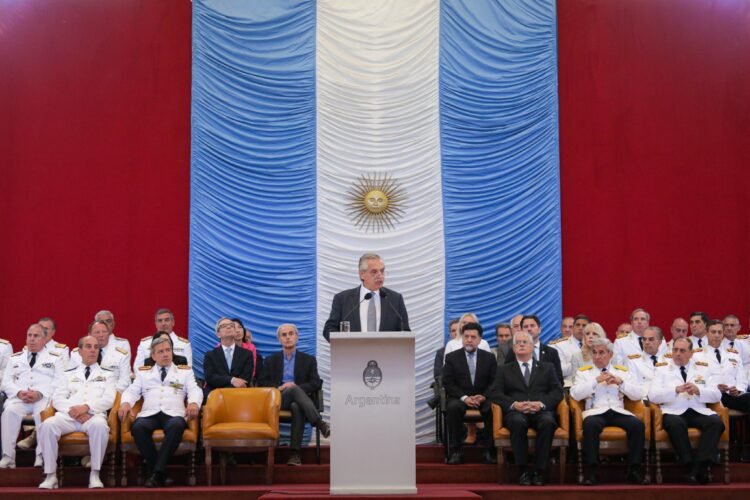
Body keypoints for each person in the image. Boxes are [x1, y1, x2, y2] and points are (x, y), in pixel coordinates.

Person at [118, 336, 202, 487]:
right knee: (138, 427)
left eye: (168, 350)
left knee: (176, 426)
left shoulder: (184, 372)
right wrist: (125, 403)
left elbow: (195, 389)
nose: (165, 354)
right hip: (150, 413)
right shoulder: (144, 373)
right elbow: (132, 391)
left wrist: (194, 403)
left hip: (174, 413)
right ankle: (159, 472)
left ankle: (155, 473)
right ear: (153, 356)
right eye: (161, 351)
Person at [38, 335, 116, 489]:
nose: (93, 350)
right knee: (47, 425)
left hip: (93, 416)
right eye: (88, 346)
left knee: (100, 426)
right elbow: (58, 398)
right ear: (79, 351)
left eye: (96, 347)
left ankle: (95, 474)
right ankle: (51, 475)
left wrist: (86, 408)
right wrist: (74, 411)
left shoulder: (108, 375)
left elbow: (109, 399)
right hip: (68, 416)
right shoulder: (68, 374)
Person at [570, 338, 647, 485]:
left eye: (601, 353)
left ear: (610, 354)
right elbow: (575, 394)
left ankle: (634, 470)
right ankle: (592, 471)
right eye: (594, 353)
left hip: (618, 411)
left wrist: (621, 383)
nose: (597, 357)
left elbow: (638, 394)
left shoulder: (621, 371)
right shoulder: (584, 372)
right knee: (590, 425)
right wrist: (595, 381)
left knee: (637, 425)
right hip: (595, 412)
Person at [648, 337, 724, 484]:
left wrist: (699, 390)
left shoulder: (703, 368)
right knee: (675, 424)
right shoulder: (662, 369)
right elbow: (653, 395)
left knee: (716, 423)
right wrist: (675, 390)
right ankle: (691, 465)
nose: (677, 353)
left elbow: (717, 395)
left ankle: (695, 468)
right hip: (673, 410)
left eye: (682, 350)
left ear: (691, 353)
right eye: (675, 350)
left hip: (697, 409)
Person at [491, 331, 563, 486]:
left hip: (541, 411)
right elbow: (495, 393)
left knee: (548, 422)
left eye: (525, 342)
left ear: (532, 347)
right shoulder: (504, 369)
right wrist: (514, 404)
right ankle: (523, 470)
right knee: (517, 422)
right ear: (513, 349)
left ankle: (539, 471)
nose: (521, 345)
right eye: (518, 343)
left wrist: (541, 404)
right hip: (516, 412)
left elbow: (557, 392)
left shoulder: (547, 367)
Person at [258, 323, 329, 466]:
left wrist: (296, 387)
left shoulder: (308, 360)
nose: (288, 337)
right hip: (279, 399)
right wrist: (280, 387)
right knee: (292, 389)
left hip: (299, 402)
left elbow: (316, 383)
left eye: (291, 334)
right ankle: (319, 423)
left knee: (296, 406)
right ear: (279, 340)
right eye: (284, 335)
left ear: (297, 337)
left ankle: (295, 455)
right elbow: (262, 382)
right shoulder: (271, 360)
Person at [0, 324, 65, 468]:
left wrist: (40, 393)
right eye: (29, 335)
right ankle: (8, 456)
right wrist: (18, 392)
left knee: (43, 414)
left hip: (42, 399)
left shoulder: (55, 358)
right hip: (20, 399)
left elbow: (60, 382)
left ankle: (41, 456)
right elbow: (6, 382)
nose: (32, 339)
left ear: (44, 339)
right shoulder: (15, 358)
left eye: (36, 336)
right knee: (8, 412)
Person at [442, 322, 497, 465]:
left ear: (480, 340)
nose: (469, 340)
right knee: (453, 408)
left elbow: (495, 381)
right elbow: (448, 382)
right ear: (462, 338)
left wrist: (484, 396)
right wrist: (465, 398)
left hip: (483, 397)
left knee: (493, 408)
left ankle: (489, 450)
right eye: (466, 336)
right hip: (460, 398)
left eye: (473, 337)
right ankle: (456, 451)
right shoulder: (452, 357)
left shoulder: (489, 358)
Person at [323, 253, 410, 341]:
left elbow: (405, 331)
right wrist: (344, 343)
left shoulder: (395, 299)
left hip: (385, 353)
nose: (380, 275)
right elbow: (329, 329)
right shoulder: (342, 299)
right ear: (362, 274)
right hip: (352, 353)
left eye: (382, 271)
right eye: (374, 271)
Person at [69, 321, 131, 392]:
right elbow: (71, 377)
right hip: (82, 395)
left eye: (104, 332)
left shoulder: (121, 354)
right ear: (89, 334)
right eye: (97, 332)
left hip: (112, 396)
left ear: (109, 334)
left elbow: (125, 380)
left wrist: (109, 395)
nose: (101, 335)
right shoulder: (76, 354)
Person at [203, 317, 253, 402]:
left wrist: (224, 384)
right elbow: (210, 378)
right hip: (215, 395)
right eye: (224, 326)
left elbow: (244, 380)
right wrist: (232, 380)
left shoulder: (247, 354)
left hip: (239, 395)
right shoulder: (210, 355)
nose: (229, 327)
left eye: (231, 325)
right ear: (218, 334)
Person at [505, 315, 563, 385]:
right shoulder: (513, 352)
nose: (529, 329)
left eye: (532, 326)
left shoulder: (551, 352)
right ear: (521, 330)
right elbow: (507, 378)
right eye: (526, 327)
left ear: (539, 329)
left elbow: (558, 379)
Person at [625, 326, 665, 398]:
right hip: (645, 401)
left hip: (668, 400)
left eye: (651, 339)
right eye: (644, 339)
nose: (646, 342)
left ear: (660, 342)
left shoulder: (668, 360)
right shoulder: (634, 362)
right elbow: (631, 387)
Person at [550, 314, 588, 386]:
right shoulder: (559, 345)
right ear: (573, 328)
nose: (580, 328)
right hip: (571, 386)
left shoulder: (595, 345)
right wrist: (579, 361)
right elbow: (560, 370)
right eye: (578, 325)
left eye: (584, 326)